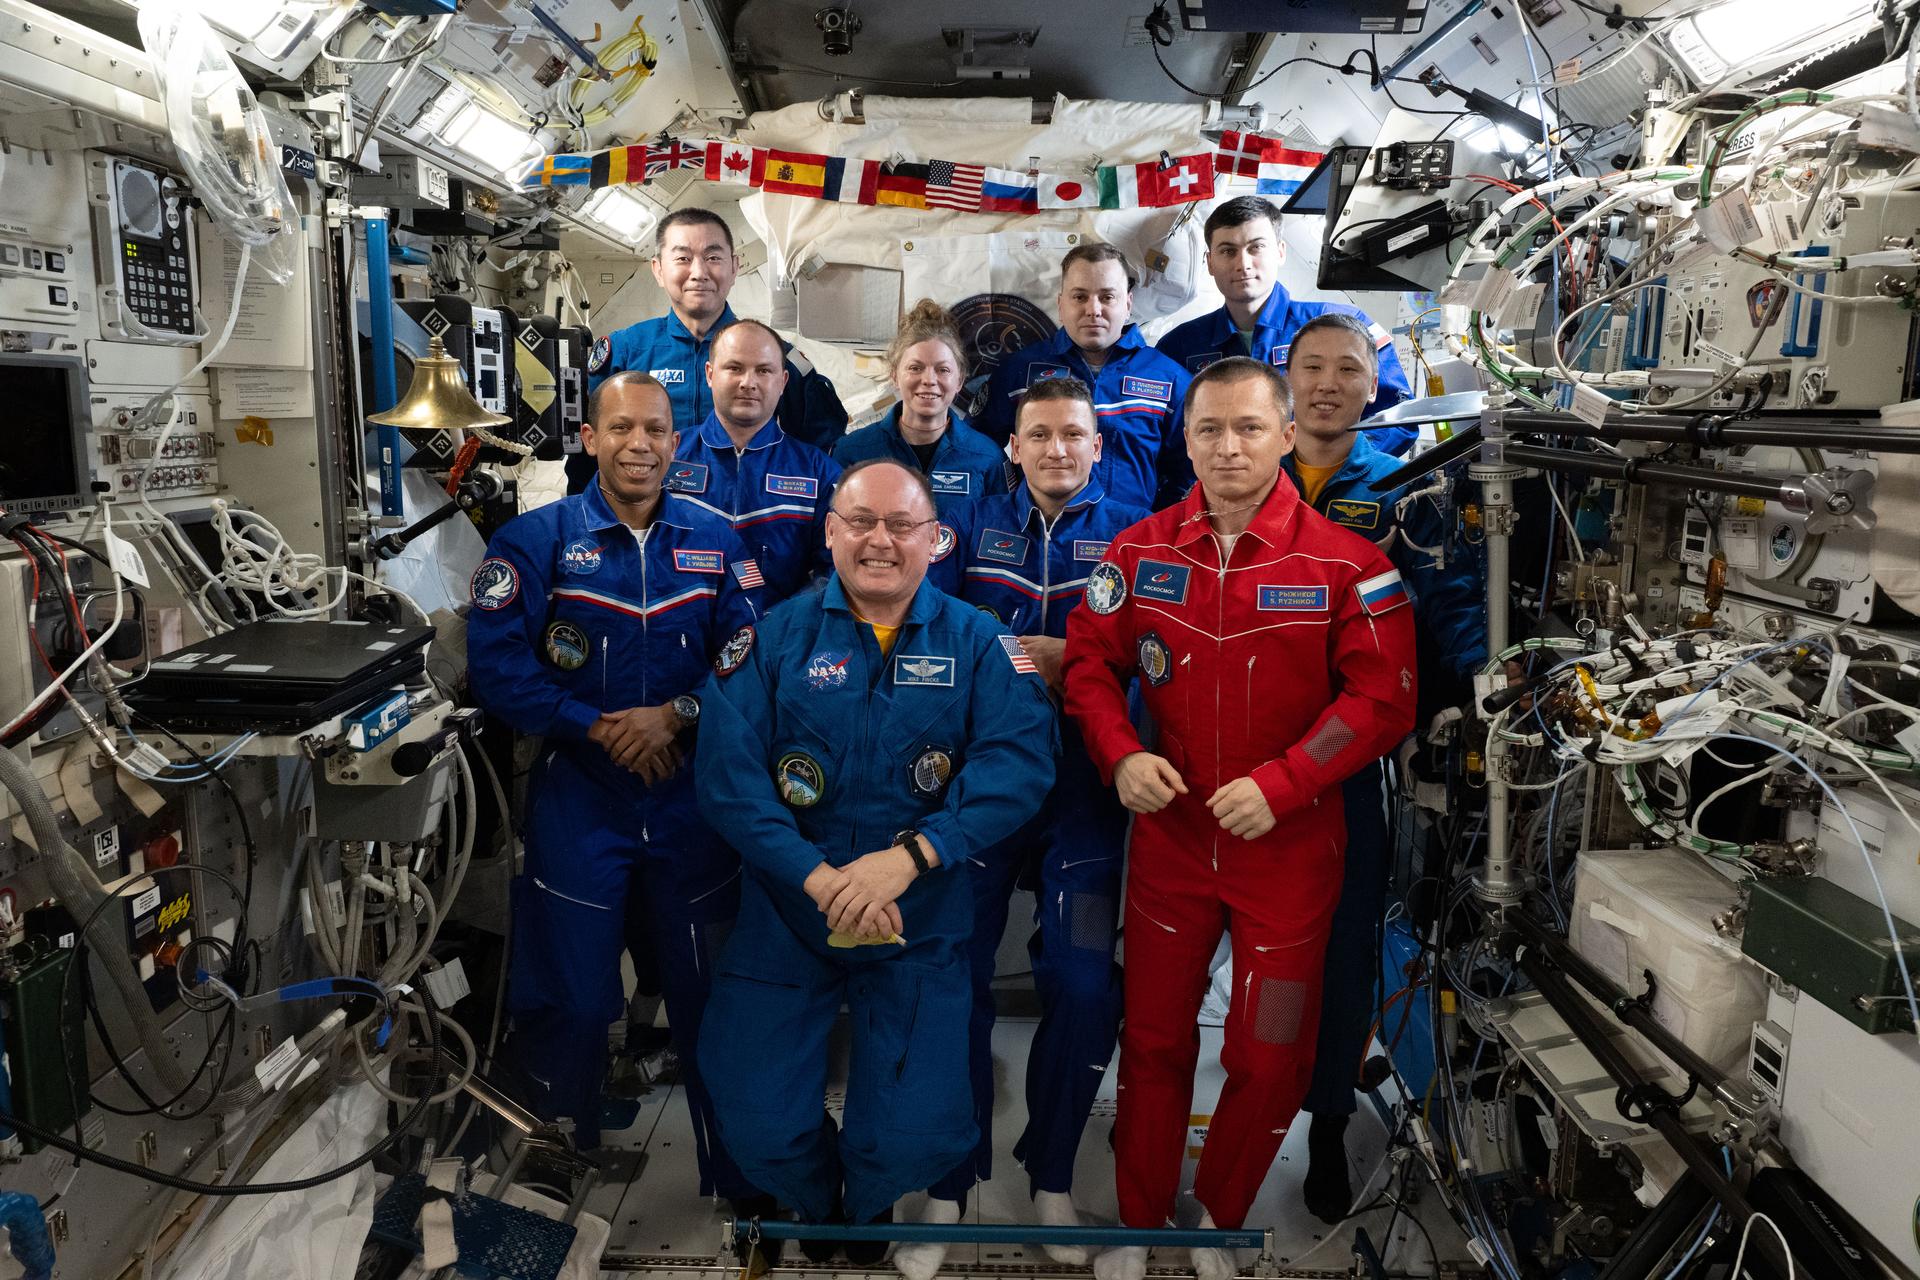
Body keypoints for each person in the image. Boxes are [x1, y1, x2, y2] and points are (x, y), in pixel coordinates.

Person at [1062, 358, 1418, 1280]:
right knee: (1153, 1039)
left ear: (1287, 435)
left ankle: (1217, 1218)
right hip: (1175, 847)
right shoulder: (1136, 555)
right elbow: (1092, 665)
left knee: (1268, 1053)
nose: (1229, 447)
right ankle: (1139, 1219)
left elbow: (1384, 700)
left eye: (1250, 429)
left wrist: (1289, 782)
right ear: (1185, 439)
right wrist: (1121, 752)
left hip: (1291, 854)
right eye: (1210, 429)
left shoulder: (1351, 567)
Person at [694, 460, 1057, 1266]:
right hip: (791, 910)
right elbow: (729, 779)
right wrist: (822, 879)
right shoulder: (772, 641)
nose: (880, 541)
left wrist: (911, 857)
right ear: (829, 532)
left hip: (917, 916)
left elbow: (1019, 763)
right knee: (752, 1110)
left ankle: (866, 1211)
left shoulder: (981, 642)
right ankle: (821, 1206)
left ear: (936, 539)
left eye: (901, 525)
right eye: (860, 521)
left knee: (916, 1127)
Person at [467, 372, 766, 1217]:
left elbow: (751, 652)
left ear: (679, 442)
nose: (641, 444)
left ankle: (738, 1177)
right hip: (581, 798)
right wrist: (596, 726)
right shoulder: (535, 542)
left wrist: (678, 713)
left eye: (658, 430)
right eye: (622, 428)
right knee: (568, 991)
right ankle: (557, 1155)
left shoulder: (715, 541)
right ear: (590, 439)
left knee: (713, 992)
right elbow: (496, 667)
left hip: (691, 800)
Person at [902, 377, 1150, 1279]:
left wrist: (1080, 663)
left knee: (1085, 986)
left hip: (1085, 795)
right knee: (949, 980)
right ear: (1011, 446)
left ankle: (1050, 1174)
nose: (1055, 450)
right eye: (1037, 434)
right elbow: (925, 634)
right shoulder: (964, 526)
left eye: (1072, 435)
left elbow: (1159, 661)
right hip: (978, 794)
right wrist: (1017, 658)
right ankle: (949, 1177)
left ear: (1097, 444)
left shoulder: (1135, 535)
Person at [1282, 312, 1486, 1221]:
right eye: (1312, 367)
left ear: (1377, 385)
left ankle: (1326, 1123)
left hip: (1348, 762)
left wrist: (1484, 693)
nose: (1329, 384)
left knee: (1345, 947)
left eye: (1349, 370)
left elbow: (1450, 607)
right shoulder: (1243, 473)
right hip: (1234, 751)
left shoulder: (1409, 488)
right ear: (1287, 381)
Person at [570, 207, 846, 491]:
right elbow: (586, 457)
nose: (699, 272)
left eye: (713, 258)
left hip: (748, 515)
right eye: (683, 259)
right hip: (647, 514)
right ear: (658, 269)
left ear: (734, 267)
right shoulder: (624, 352)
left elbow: (821, 444)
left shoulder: (773, 354)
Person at [1157, 195, 1416, 455]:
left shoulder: (1346, 328)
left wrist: (1337, 468)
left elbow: (1399, 418)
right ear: (1210, 262)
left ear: (1280, 251)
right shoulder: (1179, 346)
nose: (1243, 264)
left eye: (1256, 247)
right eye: (1228, 251)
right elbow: (1167, 441)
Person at [976, 243, 1192, 511]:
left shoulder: (1169, 379)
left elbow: (1194, 465)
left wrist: (1155, 523)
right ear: (1060, 304)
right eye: (1079, 297)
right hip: (1039, 539)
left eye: (1107, 297)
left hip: (1130, 543)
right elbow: (980, 452)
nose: (1093, 309)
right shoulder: (1018, 372)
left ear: (1127, 304)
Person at [668, 319, 842, 604]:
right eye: (734, 368)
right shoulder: (668, 457)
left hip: (775, 639)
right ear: (710, 374)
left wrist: (779, 623)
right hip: (681, 634)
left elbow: (835, 567)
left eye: (763, 370)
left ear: (783, 381)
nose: (748, 383)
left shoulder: (819, 473)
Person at [835, 298, 1009, 514]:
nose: (929, 380)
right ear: (894, 376)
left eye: (943, 370)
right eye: (915, 368)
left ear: (960, 380)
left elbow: (999, 535)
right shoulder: (853, 451)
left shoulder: (987, 457)